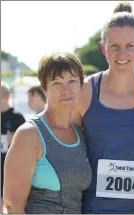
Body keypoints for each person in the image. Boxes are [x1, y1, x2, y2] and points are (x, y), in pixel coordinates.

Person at [71, 2, 134, 213]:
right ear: (104, 48)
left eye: (130, 46)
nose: (121, 54)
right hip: (94, 208)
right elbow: (65, 149)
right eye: (114, 46)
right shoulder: (85, 91)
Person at [3, 52, 92, 214]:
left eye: (72, 81)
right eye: (57, 83)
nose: (66, 90)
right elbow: (12, 204)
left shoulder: (80, 134)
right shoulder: (29, 134)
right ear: (44, 89)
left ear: (81, 86)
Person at [1, 81, 26, 213]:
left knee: (10, 203)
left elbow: (26, 147)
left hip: (9, 168)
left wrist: (14, 142)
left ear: (5, 98)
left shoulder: (17, 117)